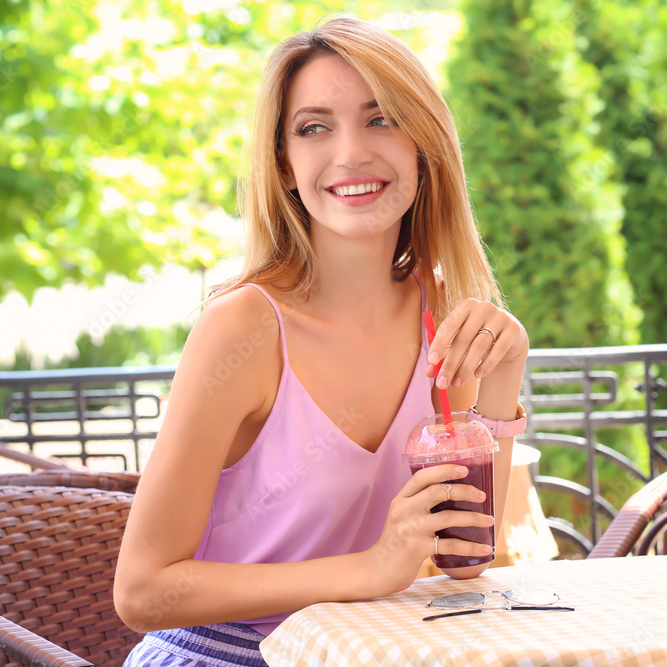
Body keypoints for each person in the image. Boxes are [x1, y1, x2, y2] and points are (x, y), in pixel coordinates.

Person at [114, 16, 529, 666]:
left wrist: (503, 378)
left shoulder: (440, 316)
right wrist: (370, 568)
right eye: (313, 128)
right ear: (284, 164)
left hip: (366, 654)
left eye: (381, 119)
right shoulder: (243, 328)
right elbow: (142, 591)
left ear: (423, 145)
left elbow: (467, 556)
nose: (351, 153)